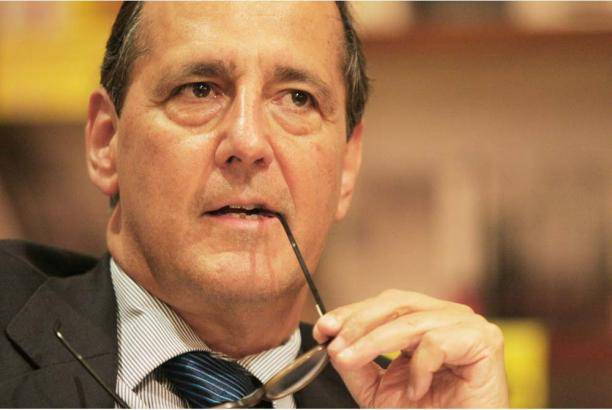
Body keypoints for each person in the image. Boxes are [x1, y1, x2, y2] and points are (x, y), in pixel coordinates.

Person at [0, 2, 508, 408]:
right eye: (200, 90)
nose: (247, 142)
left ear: (347, 167)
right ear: (105, 142)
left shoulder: (397, 399)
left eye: (297, 98)